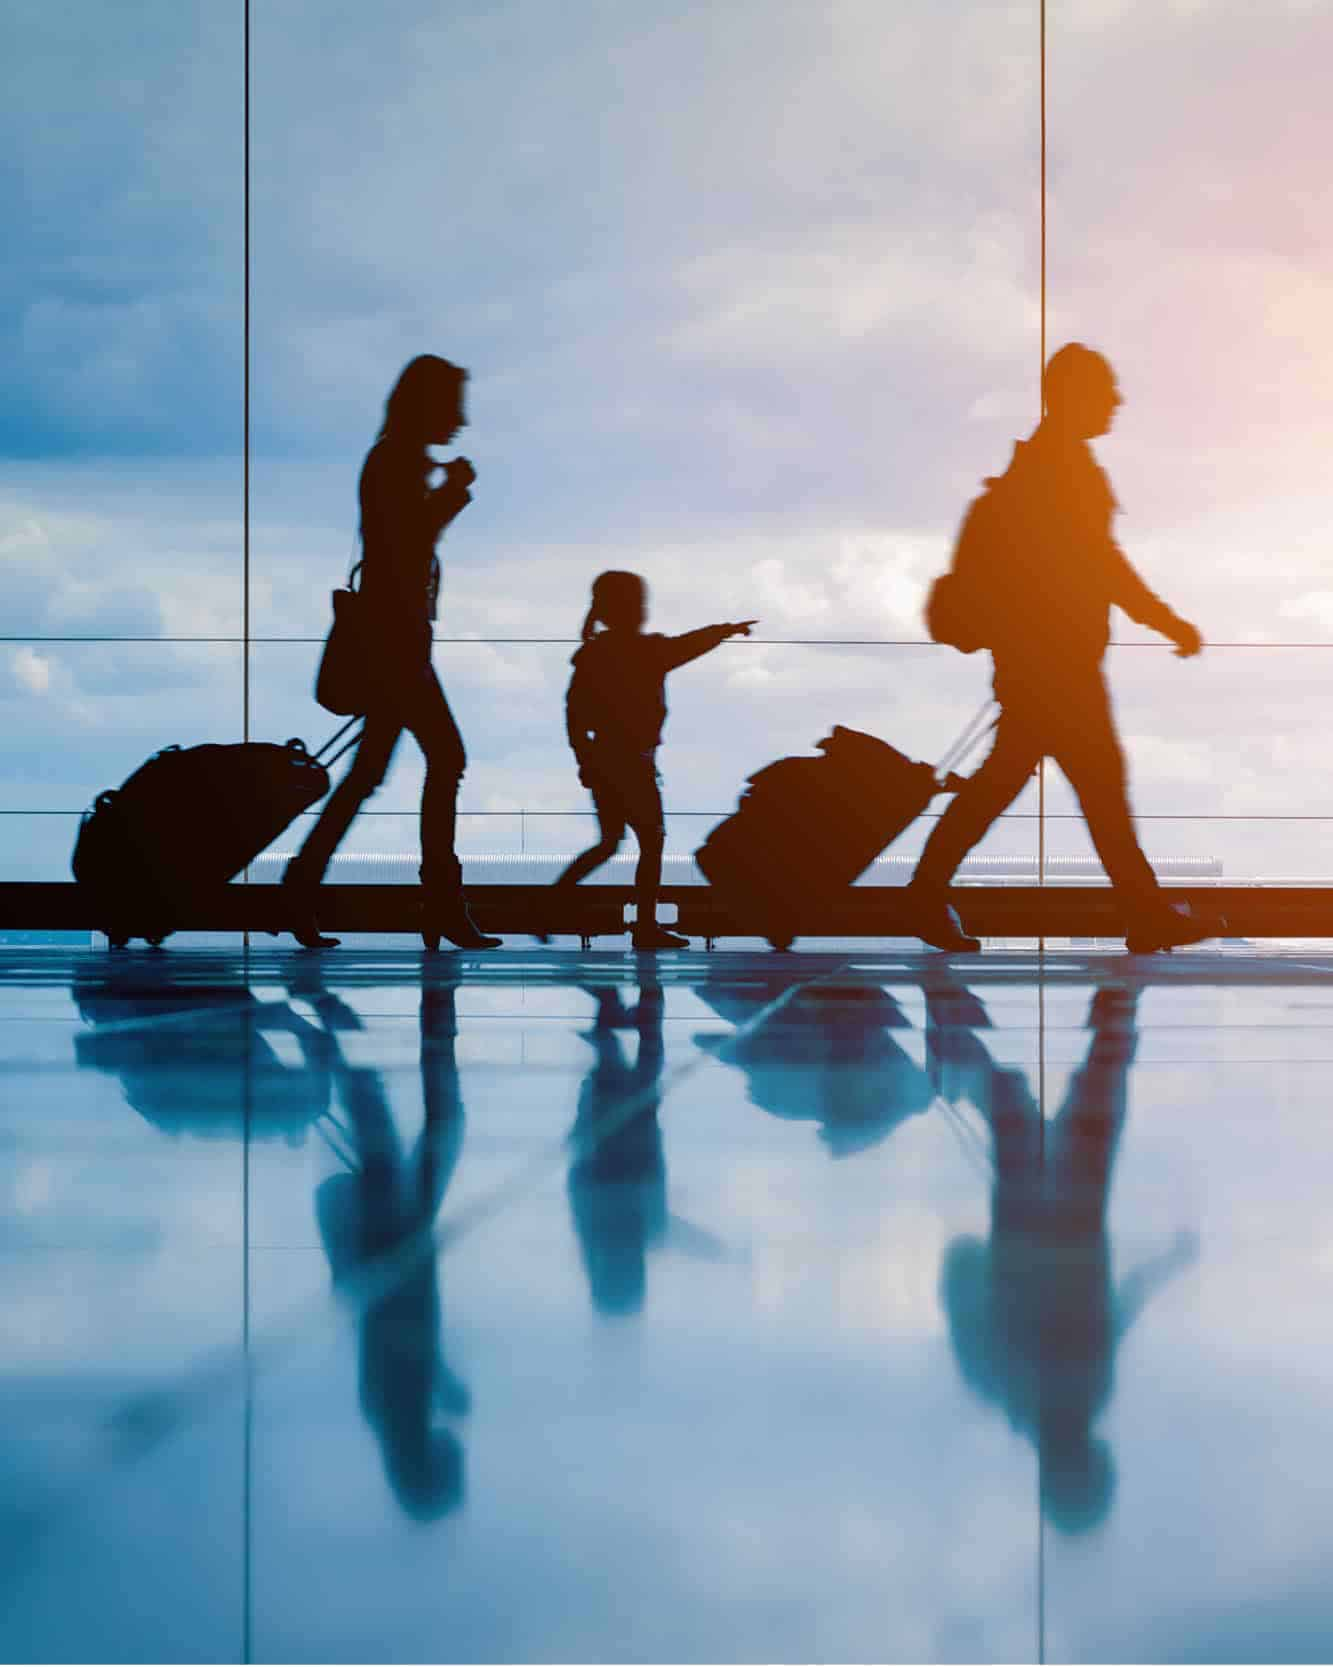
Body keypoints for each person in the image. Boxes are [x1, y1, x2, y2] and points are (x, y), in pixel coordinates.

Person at [910, 343, 1223, 955]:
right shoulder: (1064, 470)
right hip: (1057, 666)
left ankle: (926, 894)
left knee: (1015, 784)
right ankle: (1144, 913)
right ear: (1072, 395)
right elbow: (1102, 566)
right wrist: (1166, 621)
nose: (1116, 401)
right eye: (1105, 390)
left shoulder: (1043, 467)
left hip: (1039, 662)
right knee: (1092, 785)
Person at [283, 354, 500, 952]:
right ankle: (441, 906)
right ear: (428, 404)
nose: (460, 420)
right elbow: (407, 543)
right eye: (453, 405)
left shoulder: (394, 459)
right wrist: (454, 492)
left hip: (393, 640)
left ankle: (301, 888)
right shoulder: (397, 461)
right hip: (396, 644)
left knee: (369, 775)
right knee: (445, 758)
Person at [553, 570, 756, 950]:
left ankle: (552, 902)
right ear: (630, 609)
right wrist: (726, 629)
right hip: (633, 765)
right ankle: (644, 925)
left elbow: (574, 716)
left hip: (604, 761)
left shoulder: (594, 655)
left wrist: (585, 761)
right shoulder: (646, 652)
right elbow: (690, 645)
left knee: (611, 841)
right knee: (651, 840)